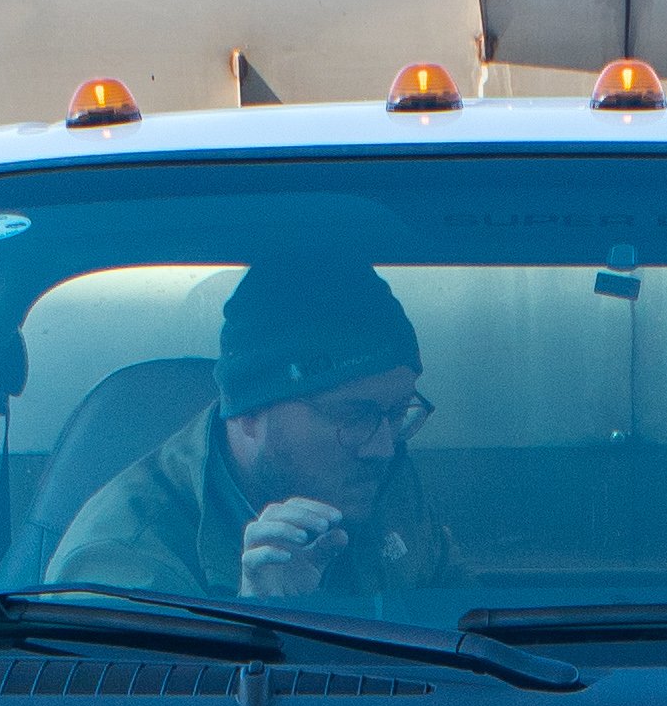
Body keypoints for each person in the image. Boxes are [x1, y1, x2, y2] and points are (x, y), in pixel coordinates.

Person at [50, 258, 459, 602]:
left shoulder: (377, 477)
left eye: (398, 411)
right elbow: (134, 697)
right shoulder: (124, 563)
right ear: (248, 413)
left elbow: (467, 625)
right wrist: (260, 624)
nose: (384, 447)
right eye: (354, 415)